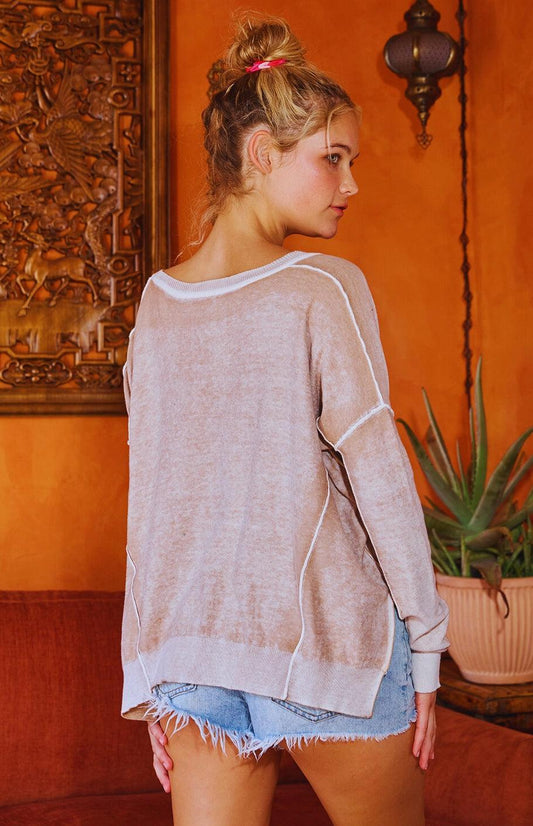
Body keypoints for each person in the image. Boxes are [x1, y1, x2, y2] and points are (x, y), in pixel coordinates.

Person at [121, 14, 449, 826]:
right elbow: (377, 473)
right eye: (332, 158)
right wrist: (427, 646)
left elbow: (151, 507)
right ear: (262, 153)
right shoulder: (321, 288)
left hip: (196, 660)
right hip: (326, 649)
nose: (350, 183)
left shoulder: (157, 304)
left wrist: (151, 671)